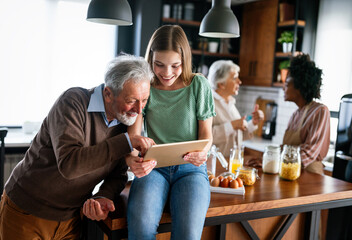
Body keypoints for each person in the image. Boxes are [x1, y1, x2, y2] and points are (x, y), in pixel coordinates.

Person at [0, 54, 156, 239]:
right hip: (27, 210)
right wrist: (126, 142)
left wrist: (102, 196)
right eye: (131, 100)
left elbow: (118, 173)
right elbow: (69, 164)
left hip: (71, 220)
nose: (139, 110)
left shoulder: (126, 122)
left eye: (144, 100)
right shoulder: (73, 102)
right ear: (108, 94)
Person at [125, 25, 216, 240]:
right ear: (150, 60)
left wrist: (203, 152)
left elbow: (207, 137)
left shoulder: (198, 85)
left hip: (191, 170)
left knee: (187, 235)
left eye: (175, 65)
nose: (167, 73)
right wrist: (131, 160)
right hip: (153, 168)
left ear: (185, 61)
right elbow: (133, 138)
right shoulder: (144, 86)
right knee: (140, 231)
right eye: (159, 64)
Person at [282, 53, 330, 175]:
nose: (284, 88)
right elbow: (285, 149)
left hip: (310, 177)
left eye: (287, 84)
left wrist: (277, 160)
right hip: (290, 173)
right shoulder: (295, 115)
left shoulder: (320, 111)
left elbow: (308, 153)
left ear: (299, 86)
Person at [207, 60, 264, 158]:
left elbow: (236, 136)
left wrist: (253, 123)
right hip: (215, 165)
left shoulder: (230, 102)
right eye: (234, 78)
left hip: (232, 163)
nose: (239, 81)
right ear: (221, 83)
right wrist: (232, 125)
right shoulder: (208, 103)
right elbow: (204, 137)